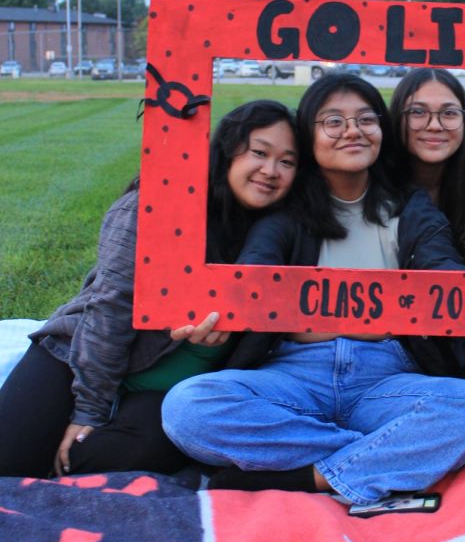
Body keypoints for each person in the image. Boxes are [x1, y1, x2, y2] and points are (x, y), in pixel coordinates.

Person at [162, 71, 465, 504]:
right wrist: (212, 310)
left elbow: (446, 270)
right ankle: (383, 454)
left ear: (381, 132)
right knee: (186, 409)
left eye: (366, 119)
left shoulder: (410, 205)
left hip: (385, 378)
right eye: (333, 121)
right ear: (310, 136)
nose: (352, 131)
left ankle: (309, 479)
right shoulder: (288, 209)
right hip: (293, 375)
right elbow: (251, 272)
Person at [0, 99, 298, 479]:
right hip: (84, 357)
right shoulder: (153, 207)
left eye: (287, 162)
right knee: (8, 460)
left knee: (104, 459)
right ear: (227, 152)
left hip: (164, 393)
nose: (270, 171)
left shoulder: (285, 231)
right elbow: (109, 312)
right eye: (259, 152)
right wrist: (89, 408)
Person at [389, 68, 465, 256]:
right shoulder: (374, 173)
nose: (434, 126)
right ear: (397, 117)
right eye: (418, 112)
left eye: (449, 113)